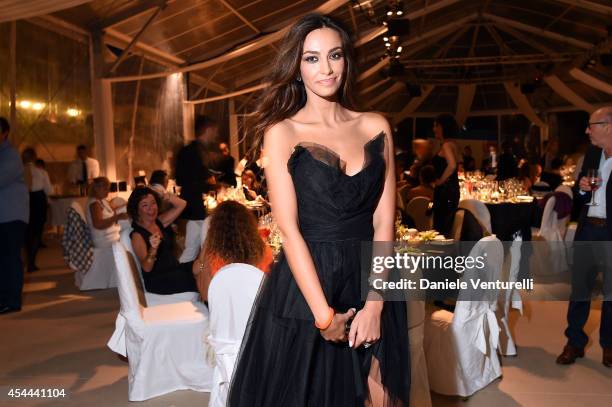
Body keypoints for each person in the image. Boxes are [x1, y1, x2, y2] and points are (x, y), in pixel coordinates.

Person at [228, 14, 410, 406]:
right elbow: (289, 230)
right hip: (309, 284)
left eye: (334, 56)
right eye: (311, 58)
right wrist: (324, 316)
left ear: (347, 61)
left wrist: (376, 303)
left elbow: (383, 223)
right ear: (296, 67)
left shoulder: (376, 125)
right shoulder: (283, 132)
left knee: (381, 396)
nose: (325, 69)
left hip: (372, 279)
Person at [556, 107, 612, 368]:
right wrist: (580, 189)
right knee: (580, 289)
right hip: (589, 227)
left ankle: (609, 345)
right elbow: (581, 194)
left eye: (592, 125)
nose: (587, 130)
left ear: (608, 126)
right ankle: (574, 342)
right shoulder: (591, 153)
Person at [192, 200, 273, 301]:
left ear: (215, 226)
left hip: (220, 310)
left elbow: (205, 294)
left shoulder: (212, 255)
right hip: (254, 310)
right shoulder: (264, 253)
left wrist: (202, 260)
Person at [128, 186, 198, 295]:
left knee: (203, 266)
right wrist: (153, 249)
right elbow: (146, 268)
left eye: (153, 203)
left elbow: (182, 204)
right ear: (137, 210)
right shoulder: (137, 235)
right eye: (145, 205)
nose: (151, 208)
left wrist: (163, 195)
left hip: (175, 270)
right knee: (200, 279)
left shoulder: (159, 222)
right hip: (160, 280)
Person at [175, 115, 217, 263]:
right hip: (192, 206)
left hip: (193, 204)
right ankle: (185, 278)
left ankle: (192, 276)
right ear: (208, 130)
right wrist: (211, 185)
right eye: (214, 131)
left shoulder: (193, 150)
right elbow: (188, 180)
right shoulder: (192, 151)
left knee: (195, 247)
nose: (215, 134)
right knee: (192, 248)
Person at [0, 117, 29, 314]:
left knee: (9, 259)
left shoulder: (10, 155)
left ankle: (11, 301)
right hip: (5, 216)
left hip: (11, 216)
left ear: (4, 133)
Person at [22, 148, 52, 272]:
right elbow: (49, 190)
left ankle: (27, 259)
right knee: (37, 231)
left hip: (24, 200)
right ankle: (31, 262)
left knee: (27, 231)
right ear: (35, 157)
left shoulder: (19, 171)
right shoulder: (41, 172)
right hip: (38, 200)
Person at [431, 113, 460, 235]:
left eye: (436, 125)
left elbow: (452, 165)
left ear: (442, 127)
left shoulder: (447, 145)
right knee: (446, 227)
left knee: (442, 228)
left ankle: (441, 254)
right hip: (451, 190)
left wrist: (440, 181)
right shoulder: (452, 144)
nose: (434, 129)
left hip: (446, 192)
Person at [87, 177, 127, 248]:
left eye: (108, 189)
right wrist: (117, 217)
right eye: (105, 189)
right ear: (96, 189)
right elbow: (98, 224)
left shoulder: (102, 200)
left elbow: (112, 211)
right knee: (130, 231)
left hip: (111, 234)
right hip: (105, 240)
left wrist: (125, 206)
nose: (108, 191)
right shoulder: (94, 204)